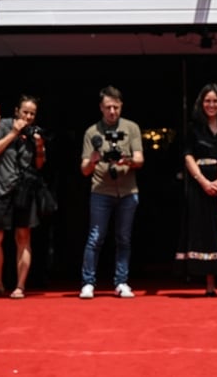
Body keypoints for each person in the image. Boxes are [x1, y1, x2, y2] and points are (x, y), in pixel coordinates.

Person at [175, 83, 217, 296]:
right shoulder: (194, 128)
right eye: (207, 101)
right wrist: (203, 181)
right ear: (201, 104)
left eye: (215, 101)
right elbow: (187, 156)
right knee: (205, 231)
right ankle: (210, 280)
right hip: (201, 187)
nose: (211, 105)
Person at [79, 86, 144, 299]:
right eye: (108, 107)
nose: (112, 111)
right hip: (101, 189)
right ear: (101, 107)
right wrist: (95, 158)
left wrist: (126, 160)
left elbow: (140, 159)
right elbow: (84, 169)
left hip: (127, 190)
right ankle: (88, 282)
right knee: (95, 237)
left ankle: (121, 282)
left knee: (124, 238)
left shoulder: (131, 128)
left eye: (116, 107)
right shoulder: (92, 132)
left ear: (121, 106)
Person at [0, 95, 46, 299]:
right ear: (17, 110)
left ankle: (20, 286)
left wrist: (40, 147)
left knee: (23, 237)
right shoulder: (4, 125)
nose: (28, 117)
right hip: (1, 188)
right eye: (25, 112)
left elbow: (39, 164)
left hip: (24, 192)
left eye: (32, 114)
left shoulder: (34, 132)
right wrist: (14, 133)